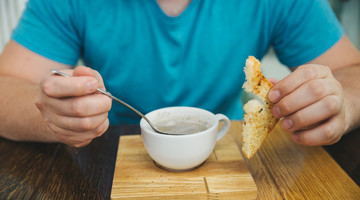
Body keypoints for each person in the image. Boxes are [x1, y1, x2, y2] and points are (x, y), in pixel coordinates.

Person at [0, 0, 359, 148]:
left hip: (229, 152)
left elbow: (350, 71)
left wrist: (341, 103)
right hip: (105, 158)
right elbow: (7, 86)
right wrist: (53, 117)